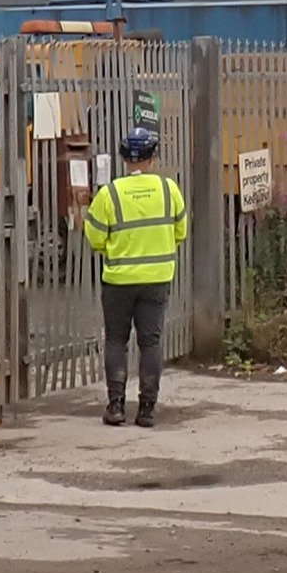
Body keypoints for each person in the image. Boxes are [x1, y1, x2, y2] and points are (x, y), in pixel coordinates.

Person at [83, 126, 185, 427]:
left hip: (118, 280)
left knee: (116, 339)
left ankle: (115, 406)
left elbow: (95, 237)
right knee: (150, 342)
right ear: (153, 156)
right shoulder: (170, 190)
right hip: (156, 279)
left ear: (123, 157)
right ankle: (147, 410)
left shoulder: (109, 194)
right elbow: (180, 232)